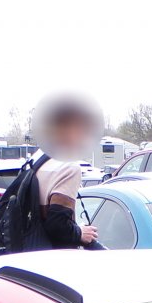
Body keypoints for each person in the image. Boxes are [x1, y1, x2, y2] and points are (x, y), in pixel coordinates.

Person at [27, 93, 100, 250]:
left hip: (27, 257)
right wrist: (80, 233)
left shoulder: (35, 160)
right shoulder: (68, 168)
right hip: (55, 260)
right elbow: (57, 225)